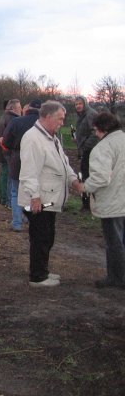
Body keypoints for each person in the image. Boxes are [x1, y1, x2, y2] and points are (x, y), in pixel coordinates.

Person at [18, 101, 82, 287]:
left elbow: (64, 163)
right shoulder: (32, 138)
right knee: (40, 237)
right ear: (47, 116)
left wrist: (74, 181)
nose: (62, 123)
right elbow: (29, 171)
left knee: (48, 235)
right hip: (40, 199)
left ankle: (43, 271)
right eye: (60, 119)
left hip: (49, 197)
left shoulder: (51, 138)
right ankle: (37, 276)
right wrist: (35, 196)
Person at [78, 112, 125, 289]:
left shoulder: (103, 148)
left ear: (104, 129)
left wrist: (85, 187)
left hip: (112, 202)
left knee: (114, 243)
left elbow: (101, 178)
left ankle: (117, 278)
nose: (95, 134)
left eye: (96, 130)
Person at [2, 99, 41, 232]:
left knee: (15, 192)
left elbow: (6, 142)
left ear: (27, 109)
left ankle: (17, 222)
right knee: (33, 192)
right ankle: (33, 221)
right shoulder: (42, 123)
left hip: (17, 159)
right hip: (38, 160)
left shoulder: (16, 122)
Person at [73, 96, 98, 211]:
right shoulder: (81, 116)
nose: (78, 106)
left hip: (91, 151)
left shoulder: (90, 114)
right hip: (85, 150)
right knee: (84, 176)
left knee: (88, 177)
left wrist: (85, 146)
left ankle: (90, 205)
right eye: (76, 104)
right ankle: (87, 204)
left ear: (85, 104)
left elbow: (95, 133)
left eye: (80, 103)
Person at [0, 99, 22, 207]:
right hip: (9, 152)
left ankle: (3, 199)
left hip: (1, 151)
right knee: (10, 177)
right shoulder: (14, 120)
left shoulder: (1, 118)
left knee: (3, 175)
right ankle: (9, 201)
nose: (21, 109)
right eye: (19, 107)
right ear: (13, 108)